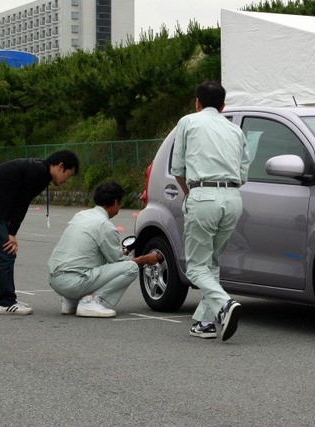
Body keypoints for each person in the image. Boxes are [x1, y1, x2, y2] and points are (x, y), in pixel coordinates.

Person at [170, 80, 250, 341]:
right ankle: (204, 322)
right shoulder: (235, 130)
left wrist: (191, 193)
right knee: (211, 261)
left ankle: (224, 304)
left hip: (203, 194)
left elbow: (178, 169)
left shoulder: (188, 122)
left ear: (197, 102)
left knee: (195, 267)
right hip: (233, 198)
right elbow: (243, 173)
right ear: (224, 105)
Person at [0, 150, 80, 315]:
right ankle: (5, 302)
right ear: (60, 166)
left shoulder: (39, 169)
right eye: (68, 175)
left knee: (4, 251)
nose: (66, 181)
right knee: (6, 250)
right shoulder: (38, 173)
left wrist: (10, 228)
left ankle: (5, 299)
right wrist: (12, 233)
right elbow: (22, 203)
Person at [48, 181, 162, 318]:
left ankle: (70, 300)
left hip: (54, 279)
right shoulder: (105, 225)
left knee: (91, 259)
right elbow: (119, 262)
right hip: (73, 283)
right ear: (115, 202)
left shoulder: (81, 215)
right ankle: (91, 301)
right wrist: (144, 259)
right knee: (131, 268)